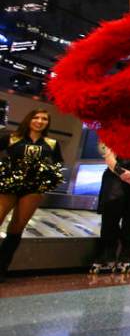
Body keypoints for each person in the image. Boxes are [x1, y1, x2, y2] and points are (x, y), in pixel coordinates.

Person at [0, 109, 63, 281]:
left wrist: (47, 177)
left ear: (47, 123)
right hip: (8, 184)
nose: (40, 121)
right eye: (36, 117)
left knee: (16, 227)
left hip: (33, 189)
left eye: (44, 118)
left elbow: (58, 164)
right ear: (29, 119)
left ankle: (1, 268)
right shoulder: (11, 137)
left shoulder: (51, 143)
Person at [92, 139, 130, 273]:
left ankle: (126, 256)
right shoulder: (113, 135)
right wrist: (122, 173)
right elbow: (109, 156)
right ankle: (108, 255)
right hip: (114, 177)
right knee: (109, 218)